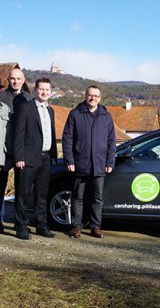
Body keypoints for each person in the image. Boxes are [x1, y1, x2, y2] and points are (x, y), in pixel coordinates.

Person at [62, 85, 116, 239]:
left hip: (99, 165)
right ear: (85, 96)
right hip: (80, 163)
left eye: (96, 96)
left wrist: (110, 162)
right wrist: (69, 160)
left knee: (97, 198)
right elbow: (67, 139)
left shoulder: (106, 116)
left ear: (100, 98)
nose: (93, 98)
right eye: (90, 95)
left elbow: (112, 141)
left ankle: (95, 227)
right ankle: (76, 227)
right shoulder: (75, 114)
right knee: (77, 197)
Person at [13, 77, 57, 240]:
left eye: (47, 90)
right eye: (41, 89)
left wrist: (54, 155)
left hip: (46, 159)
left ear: (50, 92)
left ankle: (41, 225)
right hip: (28, 158)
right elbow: (19, 134)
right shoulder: (26, 108)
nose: (44, 92)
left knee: (42, 194)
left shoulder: (50, 110)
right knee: (23, 194)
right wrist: (19, 156)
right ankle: (21, 226)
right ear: (35, 90)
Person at [0, 68, 32, 233]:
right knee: (0, 186)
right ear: (8, 79)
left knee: (21, 190)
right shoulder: (1, 96)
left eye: (18, 78)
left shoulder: (29, 98)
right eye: (12, 78)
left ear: (23, 79)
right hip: (3, 150)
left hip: (23, 151)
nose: (15, 81)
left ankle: (20, 224)